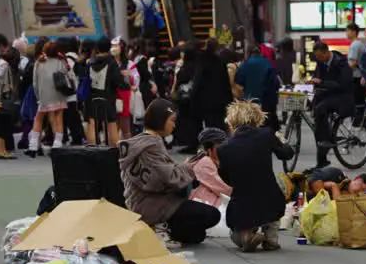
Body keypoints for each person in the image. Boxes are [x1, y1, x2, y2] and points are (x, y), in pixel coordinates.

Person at [119, 99, 221, 245]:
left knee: (197, 235)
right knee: (212, 215)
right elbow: (168, 179)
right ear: (160, 120)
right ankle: (159, 227)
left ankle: (163, 227)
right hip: (152, 205)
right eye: (171, 120)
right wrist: (188, 167)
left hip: (142, 202)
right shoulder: (151, 146)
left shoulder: (140, 142)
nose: (174, 124)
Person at [217, 100, 294, 252]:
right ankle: (270, 238)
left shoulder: (224, 147)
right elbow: (287, 154)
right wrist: (282, 141)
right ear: (257, 118)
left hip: (242, 206)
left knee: (236, 228)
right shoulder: (266, 134)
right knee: (274, 206)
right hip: (271, 201)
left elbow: (227, 178)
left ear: (232, 120)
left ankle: (246, 234)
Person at [308, 41, 354, 168]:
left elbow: (342, 85)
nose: (318, 59)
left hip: (342, 96)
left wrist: (321, 82)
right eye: (317, 57)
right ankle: (321, 161)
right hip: (326, 95)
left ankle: (327, 139)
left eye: (320, 56)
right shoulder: (320, 62)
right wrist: (313, 81)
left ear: (326, 52)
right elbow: (317, 77)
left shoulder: (341, 62)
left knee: (320, 109)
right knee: (318, 123)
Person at [27, 40, 68, 155]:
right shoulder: (61, 61)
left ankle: (33, 145)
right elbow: (67, 75)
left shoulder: (39, 62)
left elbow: (35, 82)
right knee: (59, 118)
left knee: (38, 118)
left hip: (44, 95)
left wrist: (38, 95)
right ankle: (58, 143)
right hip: (59, 94)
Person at [86, 38, 125, 146]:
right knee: (111, 123)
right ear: (109, 48)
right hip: (108, 97)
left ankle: (92, 150)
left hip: (92, 97)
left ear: (97, 48)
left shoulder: (90, 62)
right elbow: (118, 81)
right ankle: (114, 152)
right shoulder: (112, 62)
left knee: (92, 123)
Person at [235, 44, 281, 128]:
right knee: (267, 126)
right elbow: (276, 83)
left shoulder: (245, 65)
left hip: (250, 103)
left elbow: (238, 82)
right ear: (260, 53)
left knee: (251, 125)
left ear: (248, 53)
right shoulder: (267, 63)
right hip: (266, 103)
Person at [189, 127, 232, 207]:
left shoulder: (217, 160)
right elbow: (223, 189)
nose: (223, 149)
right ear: (209, 150)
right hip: (206, 203)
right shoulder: (204, 162)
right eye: (219, 146)